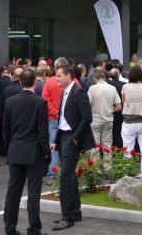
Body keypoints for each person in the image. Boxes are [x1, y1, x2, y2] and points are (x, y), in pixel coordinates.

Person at [2, 67, 49, 235]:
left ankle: (10, 227)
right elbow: (43, 132)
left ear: (21, 82)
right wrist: (46, 152)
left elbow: (6, 129)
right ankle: (34, 228)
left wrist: (10, 147)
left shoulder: (10, 102)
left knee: (13, 191)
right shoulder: (40, 102)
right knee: (34, 192)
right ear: (35, 82)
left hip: (16, 149)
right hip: (34, 152)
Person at [52, 63, 95, 231]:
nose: (56, 79)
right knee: (70, 176)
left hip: (71, 138)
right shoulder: (65, 92)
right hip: (63, 137)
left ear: (69, 76)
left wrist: (76, 138)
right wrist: (56, 139)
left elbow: (87, 117)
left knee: (66, 177)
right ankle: (75, 212)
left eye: (59, 76)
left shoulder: (78, 92)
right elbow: (62, 119)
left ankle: (67, 217)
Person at [121, 65, 142, 170]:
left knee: (127, 150)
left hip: (128, 122)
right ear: (141, 75)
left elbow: (124, 101)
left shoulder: (125, 87)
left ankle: (127, 172)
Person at [42, 57, 68, 179]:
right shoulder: (73, 81)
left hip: (53, 118)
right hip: (68, 118)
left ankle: (52, 173)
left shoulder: (49, 82)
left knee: (53, 145)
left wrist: (55, 112)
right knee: (69, 146)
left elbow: (45, 100)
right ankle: (68, 171)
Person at [86, 68, 121, 154]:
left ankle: (95, 163)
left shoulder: (92, 88)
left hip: (95, 120)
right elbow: (119, 106)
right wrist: (110, 110)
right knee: (107, 145)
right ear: (104, 77)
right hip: (108, 119)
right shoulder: (112, 88)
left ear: (94, 78)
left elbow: (87, 105)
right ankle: (107, 163)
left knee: (95, 146)